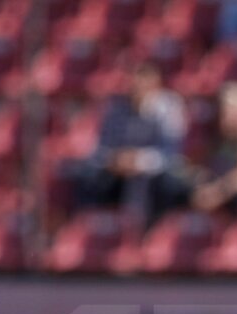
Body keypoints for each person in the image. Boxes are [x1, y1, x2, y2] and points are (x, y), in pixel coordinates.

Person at [75, 62, 187, 228]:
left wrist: (139, 161)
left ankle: (159, 232)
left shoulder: (169, 107)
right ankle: (94, 232)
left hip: (155, 172)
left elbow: (171, 153)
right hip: (119, 171)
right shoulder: (116, 108)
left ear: (155, 85)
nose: (138, 88)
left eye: (144, 83)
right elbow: (101, 148)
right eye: (134, 83)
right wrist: (115, 160)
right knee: (89, 177)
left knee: (169, 184)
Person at [187, 81, 237, 219]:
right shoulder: (214, 135)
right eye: (225, 109)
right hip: (213, 187)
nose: (228, 114)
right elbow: (198, 165)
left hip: (234, 196)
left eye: (233, 110)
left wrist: (218, 192)